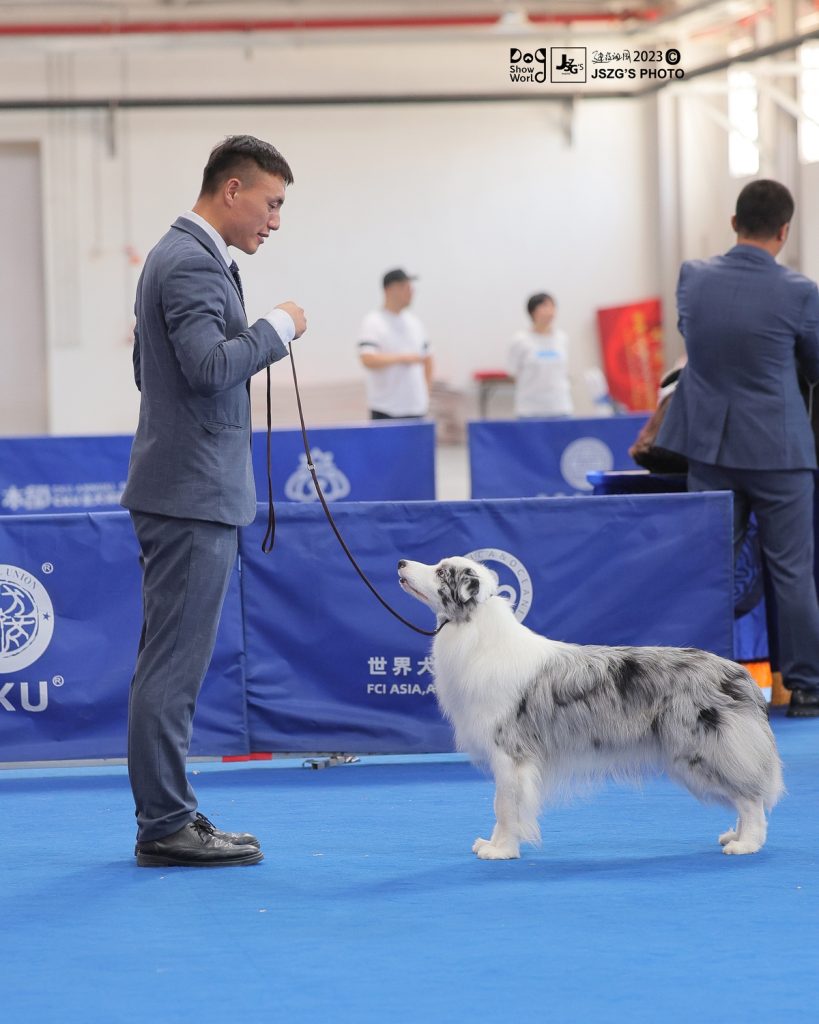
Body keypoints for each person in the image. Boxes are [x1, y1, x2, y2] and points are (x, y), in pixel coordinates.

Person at [121, 135, 307, 866]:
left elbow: (151, 372)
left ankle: (167, 815)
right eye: (271, 203)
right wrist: (277, 328)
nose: (276, 221)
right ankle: (166, 824)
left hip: (184, 487)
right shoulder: (192, 262)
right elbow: (204, 369)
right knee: (172, 671)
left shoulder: (180, 256)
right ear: (232, 190)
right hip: (191, 494)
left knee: (164, 667)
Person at [657, 179, 819, 718]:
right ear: (784, 231)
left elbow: (694, 338)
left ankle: (699, 686)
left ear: (733, 223)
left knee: (710, 567)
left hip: (710, 447)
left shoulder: (693, 277)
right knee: (791, 572)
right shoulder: (801, 292)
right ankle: (807, 688)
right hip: (780, 451)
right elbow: (815, 365)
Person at [358, 268, 433, 419]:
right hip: (386, 410)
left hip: (417, 409)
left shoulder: (415, 323)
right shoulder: (373, 322)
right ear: (389, 290)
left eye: (411, 287)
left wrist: (426, 393)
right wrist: (403, 358)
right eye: (404, 286)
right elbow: (367, 359)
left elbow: (428, 359)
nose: (410, 291)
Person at [507, 293, 573, 418]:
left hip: (560, 407)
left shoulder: (562, 338)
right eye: (544, 306)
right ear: (533, 311)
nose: (550, 311)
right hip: (530, 409)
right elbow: (512, 373)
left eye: (552, 306)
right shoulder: (520, 340)